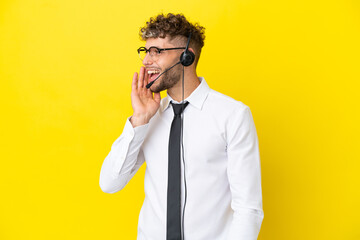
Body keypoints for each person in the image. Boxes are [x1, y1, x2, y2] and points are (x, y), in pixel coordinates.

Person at [99, 13, 264, 240]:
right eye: (145, 52)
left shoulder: (233, 116)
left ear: (187, 56)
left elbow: (248, 210)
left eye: (157, 51)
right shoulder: (149, 116)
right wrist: (139, 120)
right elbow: (110, 183)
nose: (147, 61)